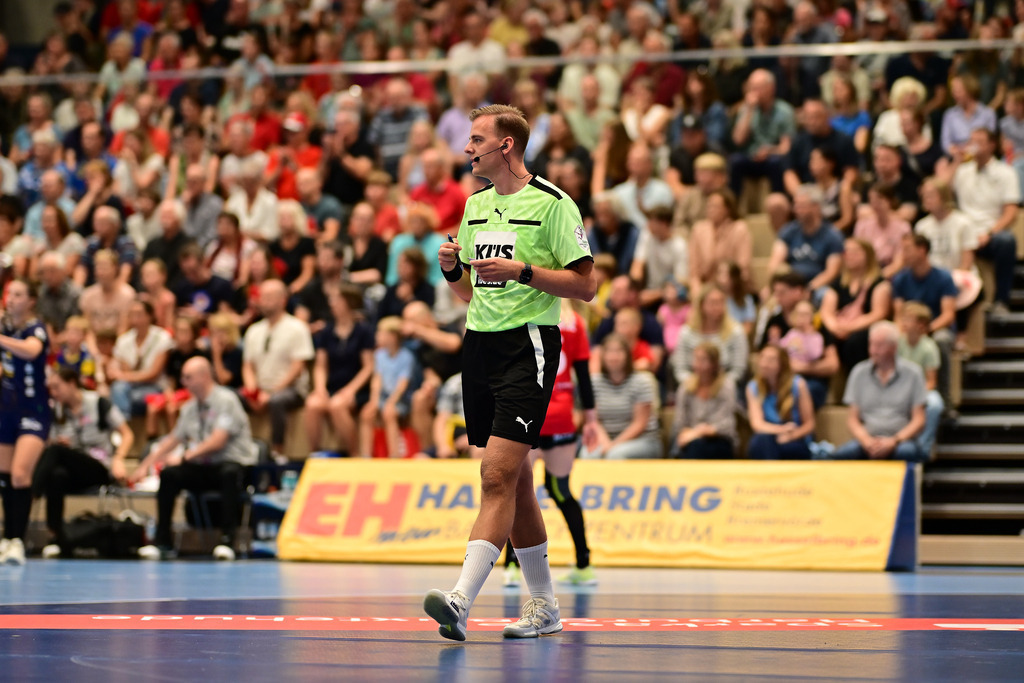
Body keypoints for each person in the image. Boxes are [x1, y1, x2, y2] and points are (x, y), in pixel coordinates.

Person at [425, 104, 595, 642]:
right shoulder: (474, 207)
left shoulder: (553, 204)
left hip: (528, 347)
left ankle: (459, 601)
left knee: (495, 474)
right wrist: (453, 270)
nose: (467, 148)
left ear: (506, 146)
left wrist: (523, 270)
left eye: (476, 139)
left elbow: (586, 287)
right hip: (479, 346)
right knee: (517, 481)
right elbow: (471, 294)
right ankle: (543, 607)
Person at [504, 300, 597, 588]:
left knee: (516, 492)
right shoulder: (575, 323)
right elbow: (583, 375)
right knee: (561, 490)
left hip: (528, 412)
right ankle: (584, 563)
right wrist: (591, 420)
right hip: (561, 416)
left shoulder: (524, 311)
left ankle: (512, 566)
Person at [132, 357, 259, 561]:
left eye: (188, 377)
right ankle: (162, 541)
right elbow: (173, 438)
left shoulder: (226, 400)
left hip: (232, 464)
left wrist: (184, 457)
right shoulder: (190, 407)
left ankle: (227, 541)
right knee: (169, 474)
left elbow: (218, 441)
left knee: (229, 473)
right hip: (204, 467)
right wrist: (145, 466)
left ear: (204, 376)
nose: (184, 382)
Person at [35, 367, 134, 559]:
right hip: (73, 468)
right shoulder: (56, 411)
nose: (54, 393)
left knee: (56, 452)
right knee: (56, 475)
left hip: (98, 467)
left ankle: (31, 493)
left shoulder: (98, 403)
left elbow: (127, 434)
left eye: (57, 387)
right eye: (51, 389)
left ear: (72, 383)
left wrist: (119, 459)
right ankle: (57, 538)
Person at [819, 322, 930, 462]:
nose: (873, 350)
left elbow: (919, 420)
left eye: (879, 345)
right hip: (867, 440)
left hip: (901, 441)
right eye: (871, 344)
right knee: (839, 455)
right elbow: (852, 419)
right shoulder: (859, 372)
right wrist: (866, 441)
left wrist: (894, 441)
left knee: (907, 452)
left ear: (894, 347)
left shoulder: (913, 373)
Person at [0, 279, 52, 565]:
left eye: (19, 294)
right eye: (9, 294)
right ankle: (6, 539)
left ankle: (18, 540)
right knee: (5, 477)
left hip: (34, 410)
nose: (11, 299)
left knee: (21, 473)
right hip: (7, 409)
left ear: (31, 300)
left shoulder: (36, 328)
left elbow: (31, 351)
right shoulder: (6, 326)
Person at [241, 279, 315, 457]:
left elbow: (298, 366)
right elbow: (248, 366)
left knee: (277, 401)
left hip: (291, 389)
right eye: (261, 296)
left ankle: (277, 451)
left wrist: (273, 391)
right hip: (261, 389)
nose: (263, 300)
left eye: (269, 296)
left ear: (283, 300)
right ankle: (242, 449)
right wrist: (253, 390)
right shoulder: (253, 330)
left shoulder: (297, 328)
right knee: (232, 398)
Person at [305, 284, 375, 456]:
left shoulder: (363, 331)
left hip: (357, 388)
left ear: (348, 302)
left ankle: (354, 454)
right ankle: (315, 454)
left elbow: (368, 367)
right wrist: (320, 389)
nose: (332, 303)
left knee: (337, 405)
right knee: (312, 404)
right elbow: (321, 366)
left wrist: (351, 390)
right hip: (332, 386)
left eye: (336, 299)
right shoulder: (327, 331)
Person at [579, 334, 662, 460]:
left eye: (618, 351)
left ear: (628, 355)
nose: (614, 356)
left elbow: (639, 424)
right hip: (605, 438)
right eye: (609, 351)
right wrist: (606, 443)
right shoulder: (594, 382)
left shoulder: (642, 381)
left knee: (615, 455)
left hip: (642, 440)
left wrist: (613, 446)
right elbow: (593, 420)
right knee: (588, 454)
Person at [819, 239, 892, 370]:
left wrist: (849, 327)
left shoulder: (879, 283)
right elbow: (826, 311)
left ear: (867, 255)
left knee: (857, 341)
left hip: (862, 328)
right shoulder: (838, 283)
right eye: (846, 251)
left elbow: (879, 313)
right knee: (822, 334)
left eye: (855, 252)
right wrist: (835, 327)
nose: (849, 255)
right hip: (839, 327)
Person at [670, 284, 749, 388]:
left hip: (725, 388)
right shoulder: (686, 332)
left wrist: (719, 387)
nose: (717, 307)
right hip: (692, 387)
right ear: (701, 305)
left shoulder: (736, 332)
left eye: (721, 302)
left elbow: (738, 369)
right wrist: (694, 385)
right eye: (713, 303)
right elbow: (680, 368)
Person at [746, 344, 815, 460]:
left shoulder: (798, 384)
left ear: (782, 364)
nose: (764, 364)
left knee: (786, 448)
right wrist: (782, 430)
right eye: (762, 358)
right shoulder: (753, 387)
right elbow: (757, 424)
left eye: (771, 360)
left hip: (794, 437)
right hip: (770, 433)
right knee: (760, 441)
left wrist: (791, 435)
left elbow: (809, 424)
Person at [108, 300, 174, 421]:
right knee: (117, 388)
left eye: (139, 314)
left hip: (155, 386)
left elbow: (153, 374)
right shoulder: (124, 340)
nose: (135, 318)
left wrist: (122, 375)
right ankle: (124, 423)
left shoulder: (162, 337)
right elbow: (123, 369)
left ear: (150, 315)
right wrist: (121, 374)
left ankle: (122, 427)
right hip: (129, 387)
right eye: (131, 314)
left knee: (128, 396)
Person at [670, 343, 737, 460]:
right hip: (690, 439)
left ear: (714, 364)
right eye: (696, 359)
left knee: (696, 446)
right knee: (686, 445)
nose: (698, 364)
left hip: (720, 440)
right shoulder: (685, 388)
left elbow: (726, 425)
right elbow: (680, 422)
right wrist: (688, 433)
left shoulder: (726, 386)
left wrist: (698, 432)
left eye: (703, 360)